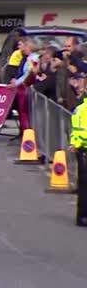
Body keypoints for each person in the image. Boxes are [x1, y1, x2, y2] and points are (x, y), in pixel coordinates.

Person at [69, 93, 87, 227]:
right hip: (84, 150)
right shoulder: (83, 109)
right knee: (84, 185)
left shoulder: (81, 108)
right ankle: (82, 216)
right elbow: (79, 131)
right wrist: (76, 144)